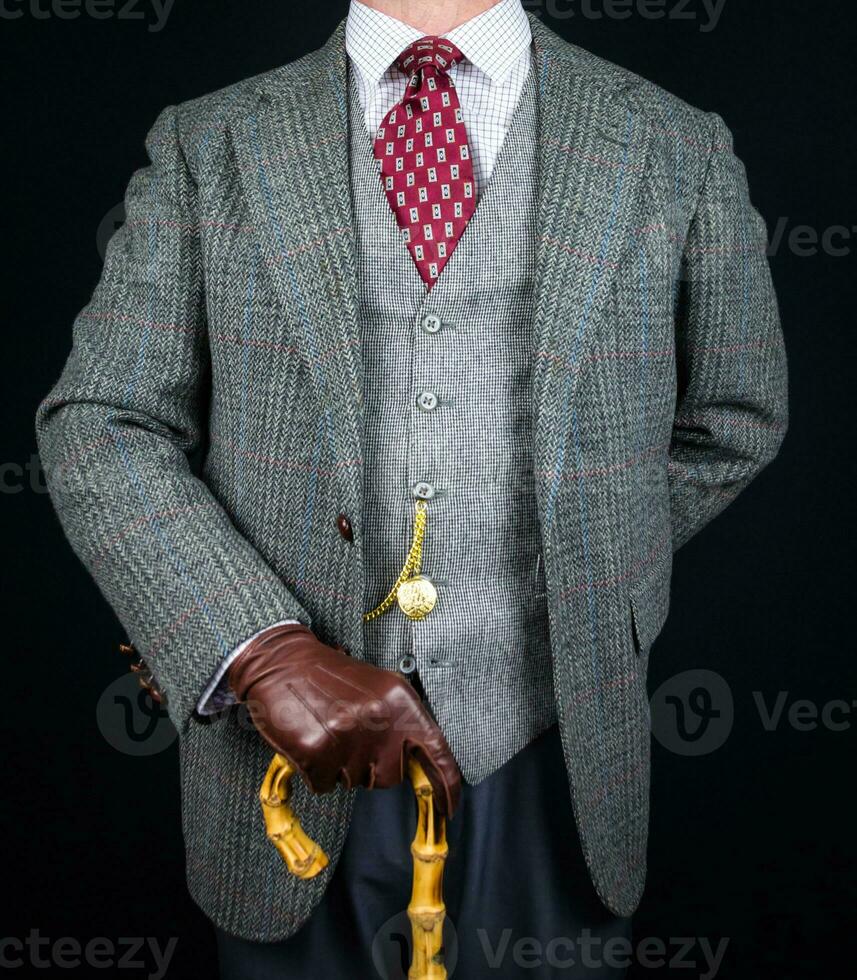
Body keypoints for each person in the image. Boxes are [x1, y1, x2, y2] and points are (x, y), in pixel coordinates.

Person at [36, 0, 788, 976]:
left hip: (556, 755)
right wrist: (257, 648)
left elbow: (732, 417)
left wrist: (576, 583)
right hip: (281, 767)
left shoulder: (670, 142)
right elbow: (102, 420)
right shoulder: (207, 141)